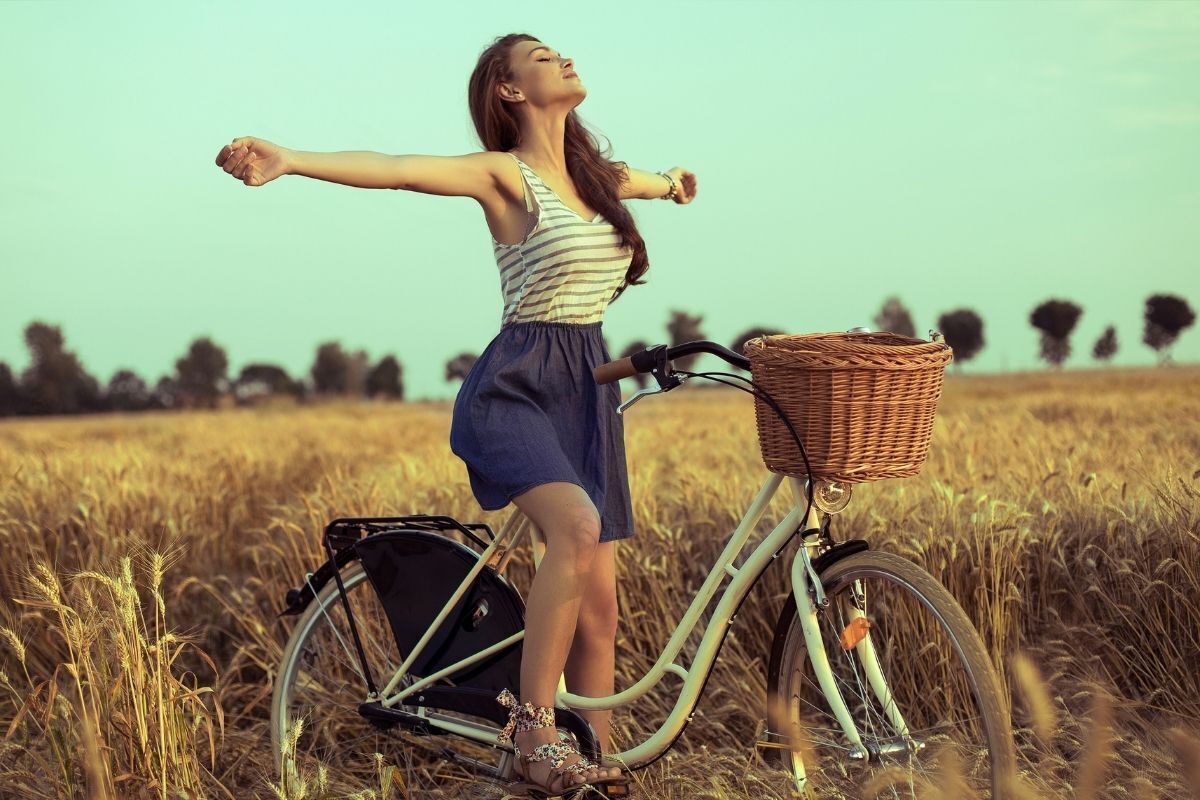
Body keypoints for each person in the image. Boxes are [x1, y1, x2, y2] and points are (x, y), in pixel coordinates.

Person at [214, 32, 697, 797]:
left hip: (590, 388)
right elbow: (400, 170)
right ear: (510, 92)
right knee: (572, 529)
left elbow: (636, 180)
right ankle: (534, 733)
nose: (563, 57)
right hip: (518, 387)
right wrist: (291, 159)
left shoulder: (596, 178)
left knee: (599, 611)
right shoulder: (506, 175)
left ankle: (583, 769)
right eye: (542, 56)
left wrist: (672, 183)